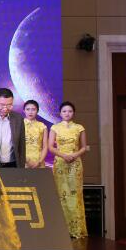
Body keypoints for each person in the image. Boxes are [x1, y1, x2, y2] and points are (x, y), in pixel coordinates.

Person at [49, 101, 88, 239]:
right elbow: (50, 147)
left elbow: (84, 147)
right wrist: (63, 155)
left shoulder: (79, 128)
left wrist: (74, 155)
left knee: (75, 195)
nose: (67, 113)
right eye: (64, 111)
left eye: (70, 111)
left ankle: (77, 229)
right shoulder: (55, 127)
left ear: (73, 113)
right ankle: (62, 230)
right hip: (60, 163)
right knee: (61, 194)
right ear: (60, 113)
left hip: (75, 164)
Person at [23, 99, 48, 168]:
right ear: (24, 111)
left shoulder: (42, 126)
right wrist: (27, 161)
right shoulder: (19, 125)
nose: (30, 112)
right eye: (28, 109)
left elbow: (45, 146)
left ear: (37, 111)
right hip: (23, 160)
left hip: (38, 161)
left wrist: (40, 161)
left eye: (33, 109)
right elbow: (16, 146)